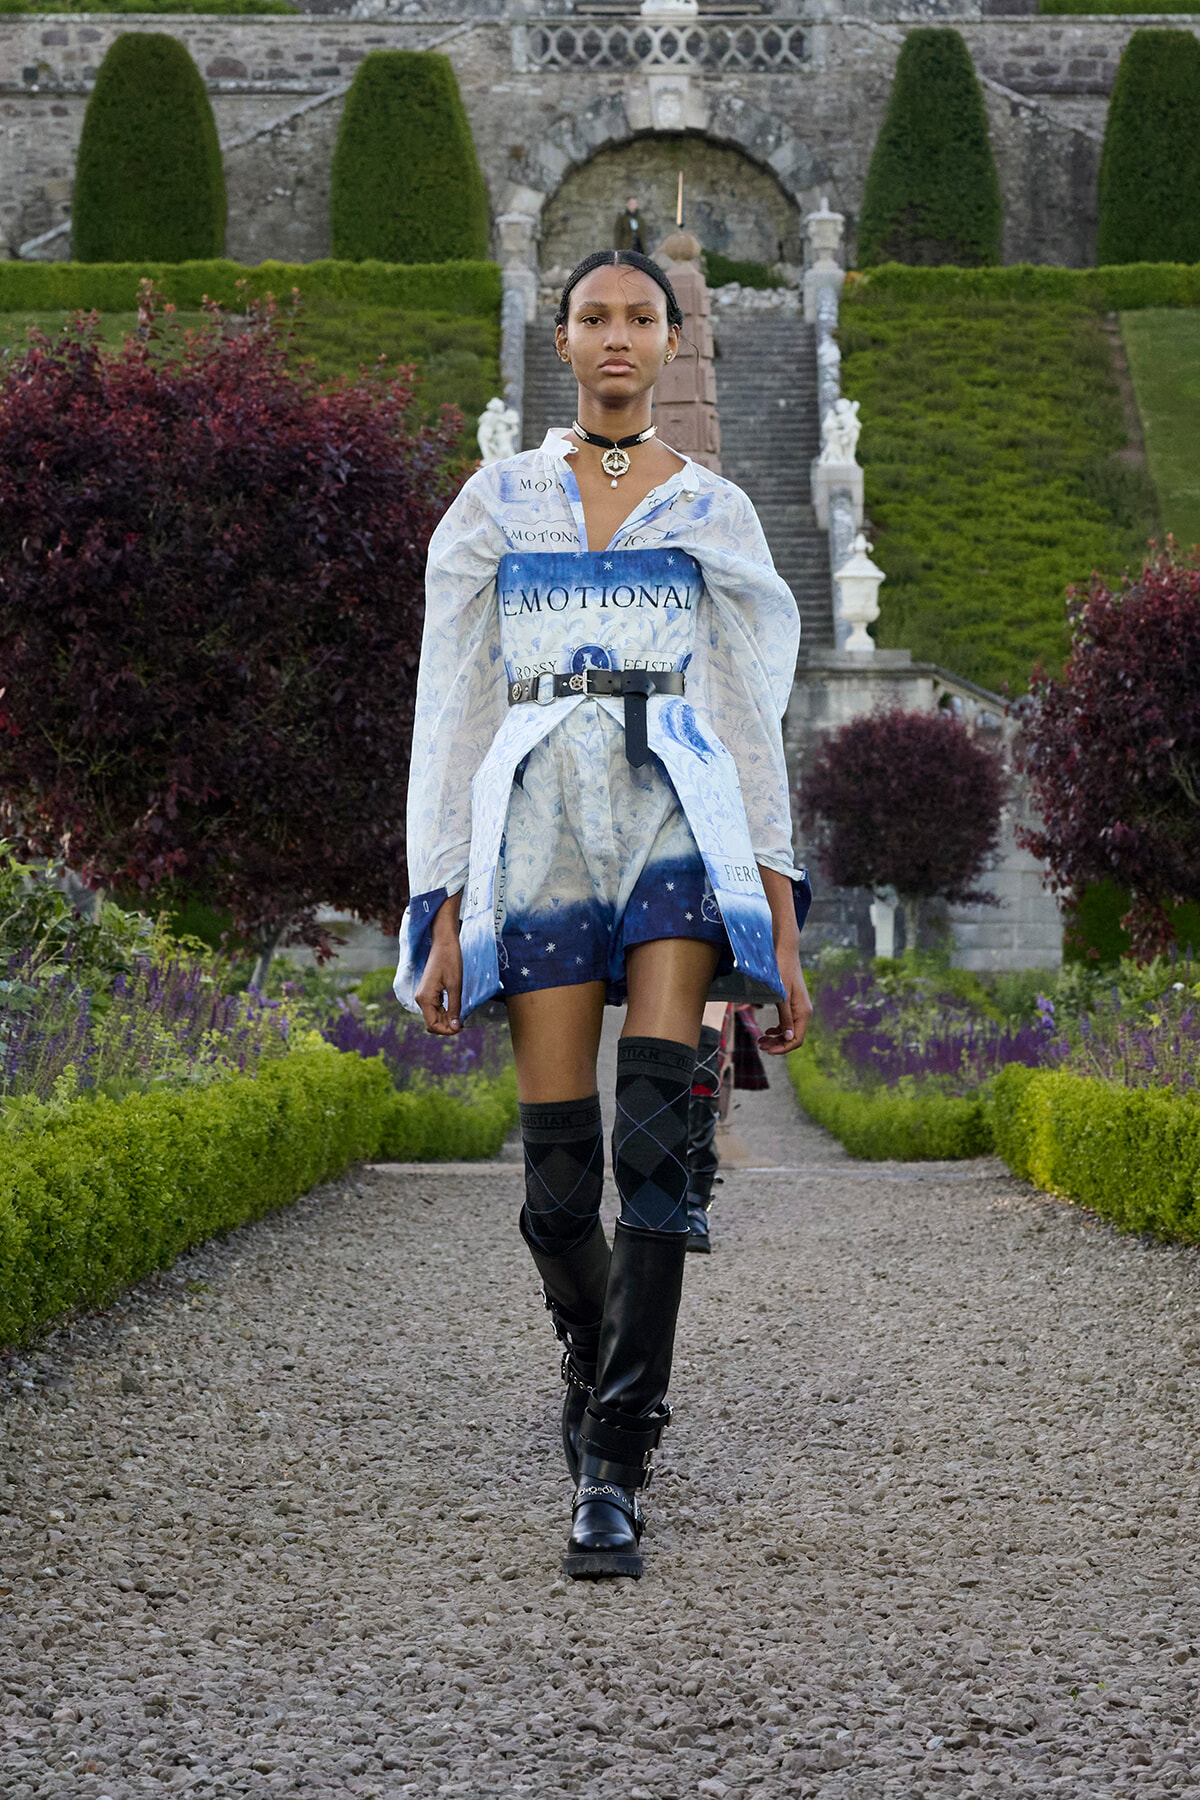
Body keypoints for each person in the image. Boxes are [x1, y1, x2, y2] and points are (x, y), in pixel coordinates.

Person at [396, 248, 812, 1580]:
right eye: (595, 318)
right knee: (557, 1195)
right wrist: (445, 898)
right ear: (561, 340)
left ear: (676, 341)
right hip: (540, 828)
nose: (619, 337)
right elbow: (455, 710)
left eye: (643, 317)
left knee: (654, 1151)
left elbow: (749, 714)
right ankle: (590, 1345)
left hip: (674, 816)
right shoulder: (492, 504)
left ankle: (616, 1461)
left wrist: (782, 920)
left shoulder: (714, 508)